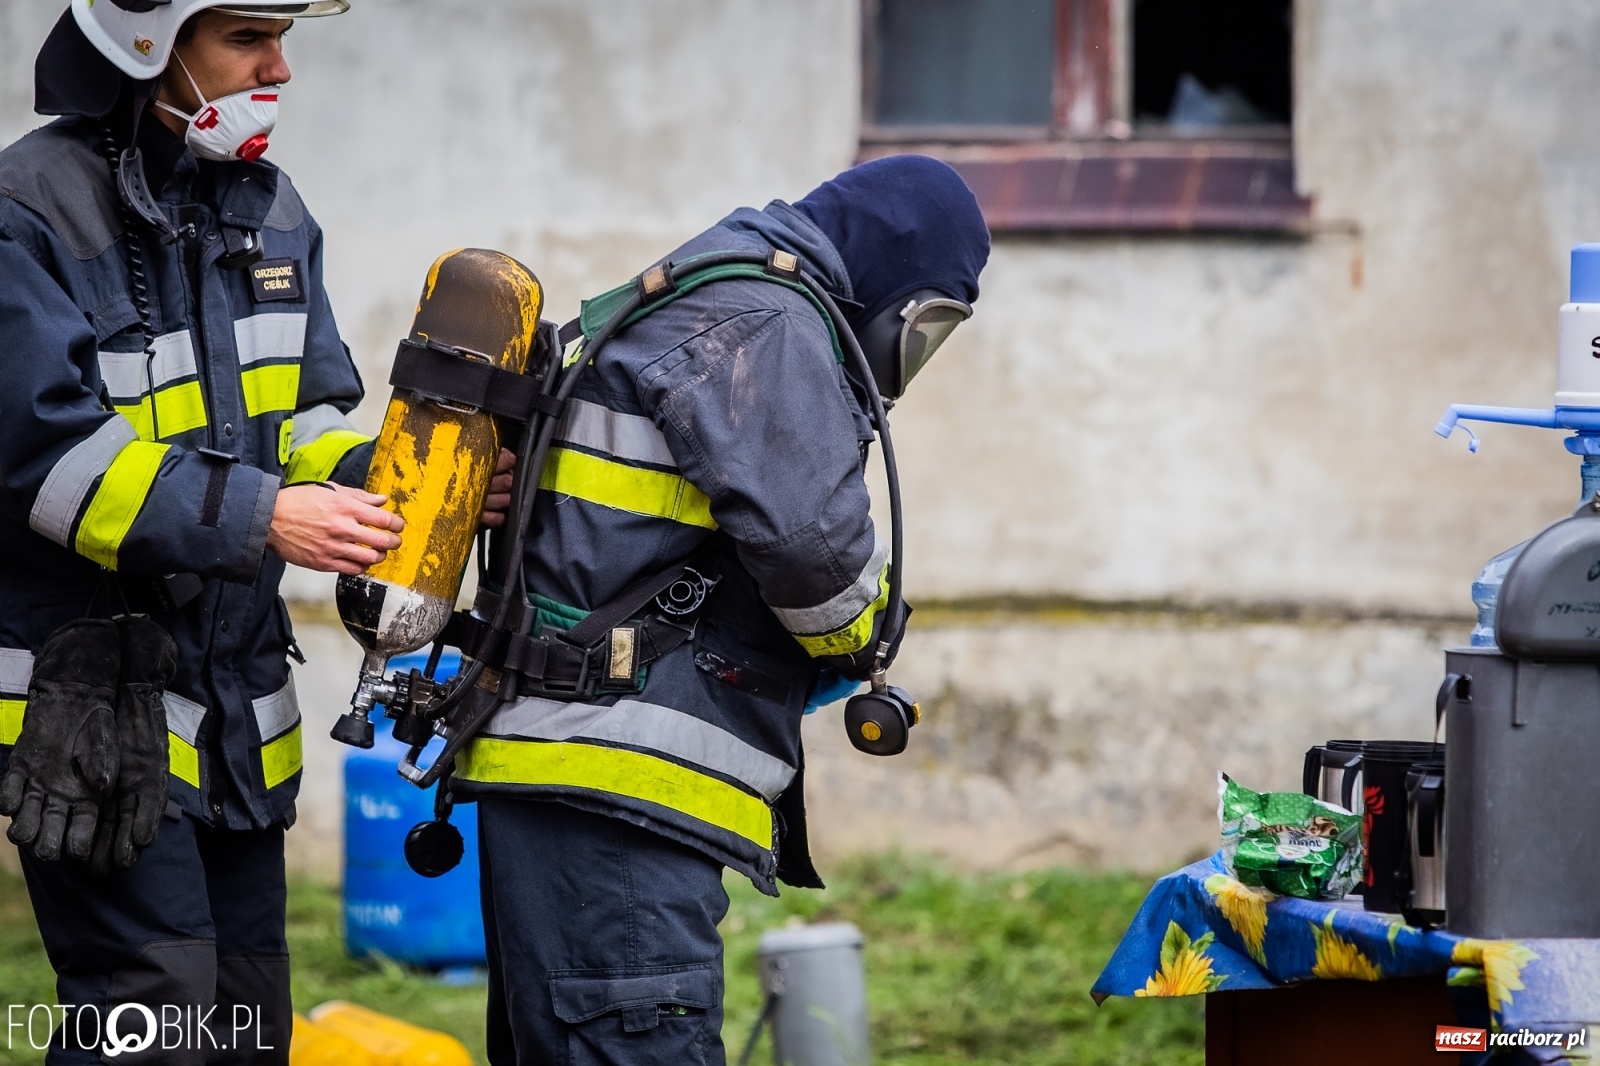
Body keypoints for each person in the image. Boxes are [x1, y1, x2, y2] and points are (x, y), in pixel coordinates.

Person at [453, 154, 990, 1064]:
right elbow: (817, 558)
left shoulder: (700, 293)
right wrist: (870, 640)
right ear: (895, 285)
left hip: (569, 772)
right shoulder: (767, 322)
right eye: (928, 323)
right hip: (616, 788)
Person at [0, 3, 425, 1061]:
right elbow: (44, 461)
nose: (279, 68)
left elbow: (305, 425)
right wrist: (263, 513)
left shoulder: (273, 210)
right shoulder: (26, 211)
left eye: (283, 38)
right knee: (154, 1019)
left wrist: (390, 487)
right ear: (148, 42)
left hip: (237, 717)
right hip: (97, 706)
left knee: (244, 1019)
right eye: (245, 39)